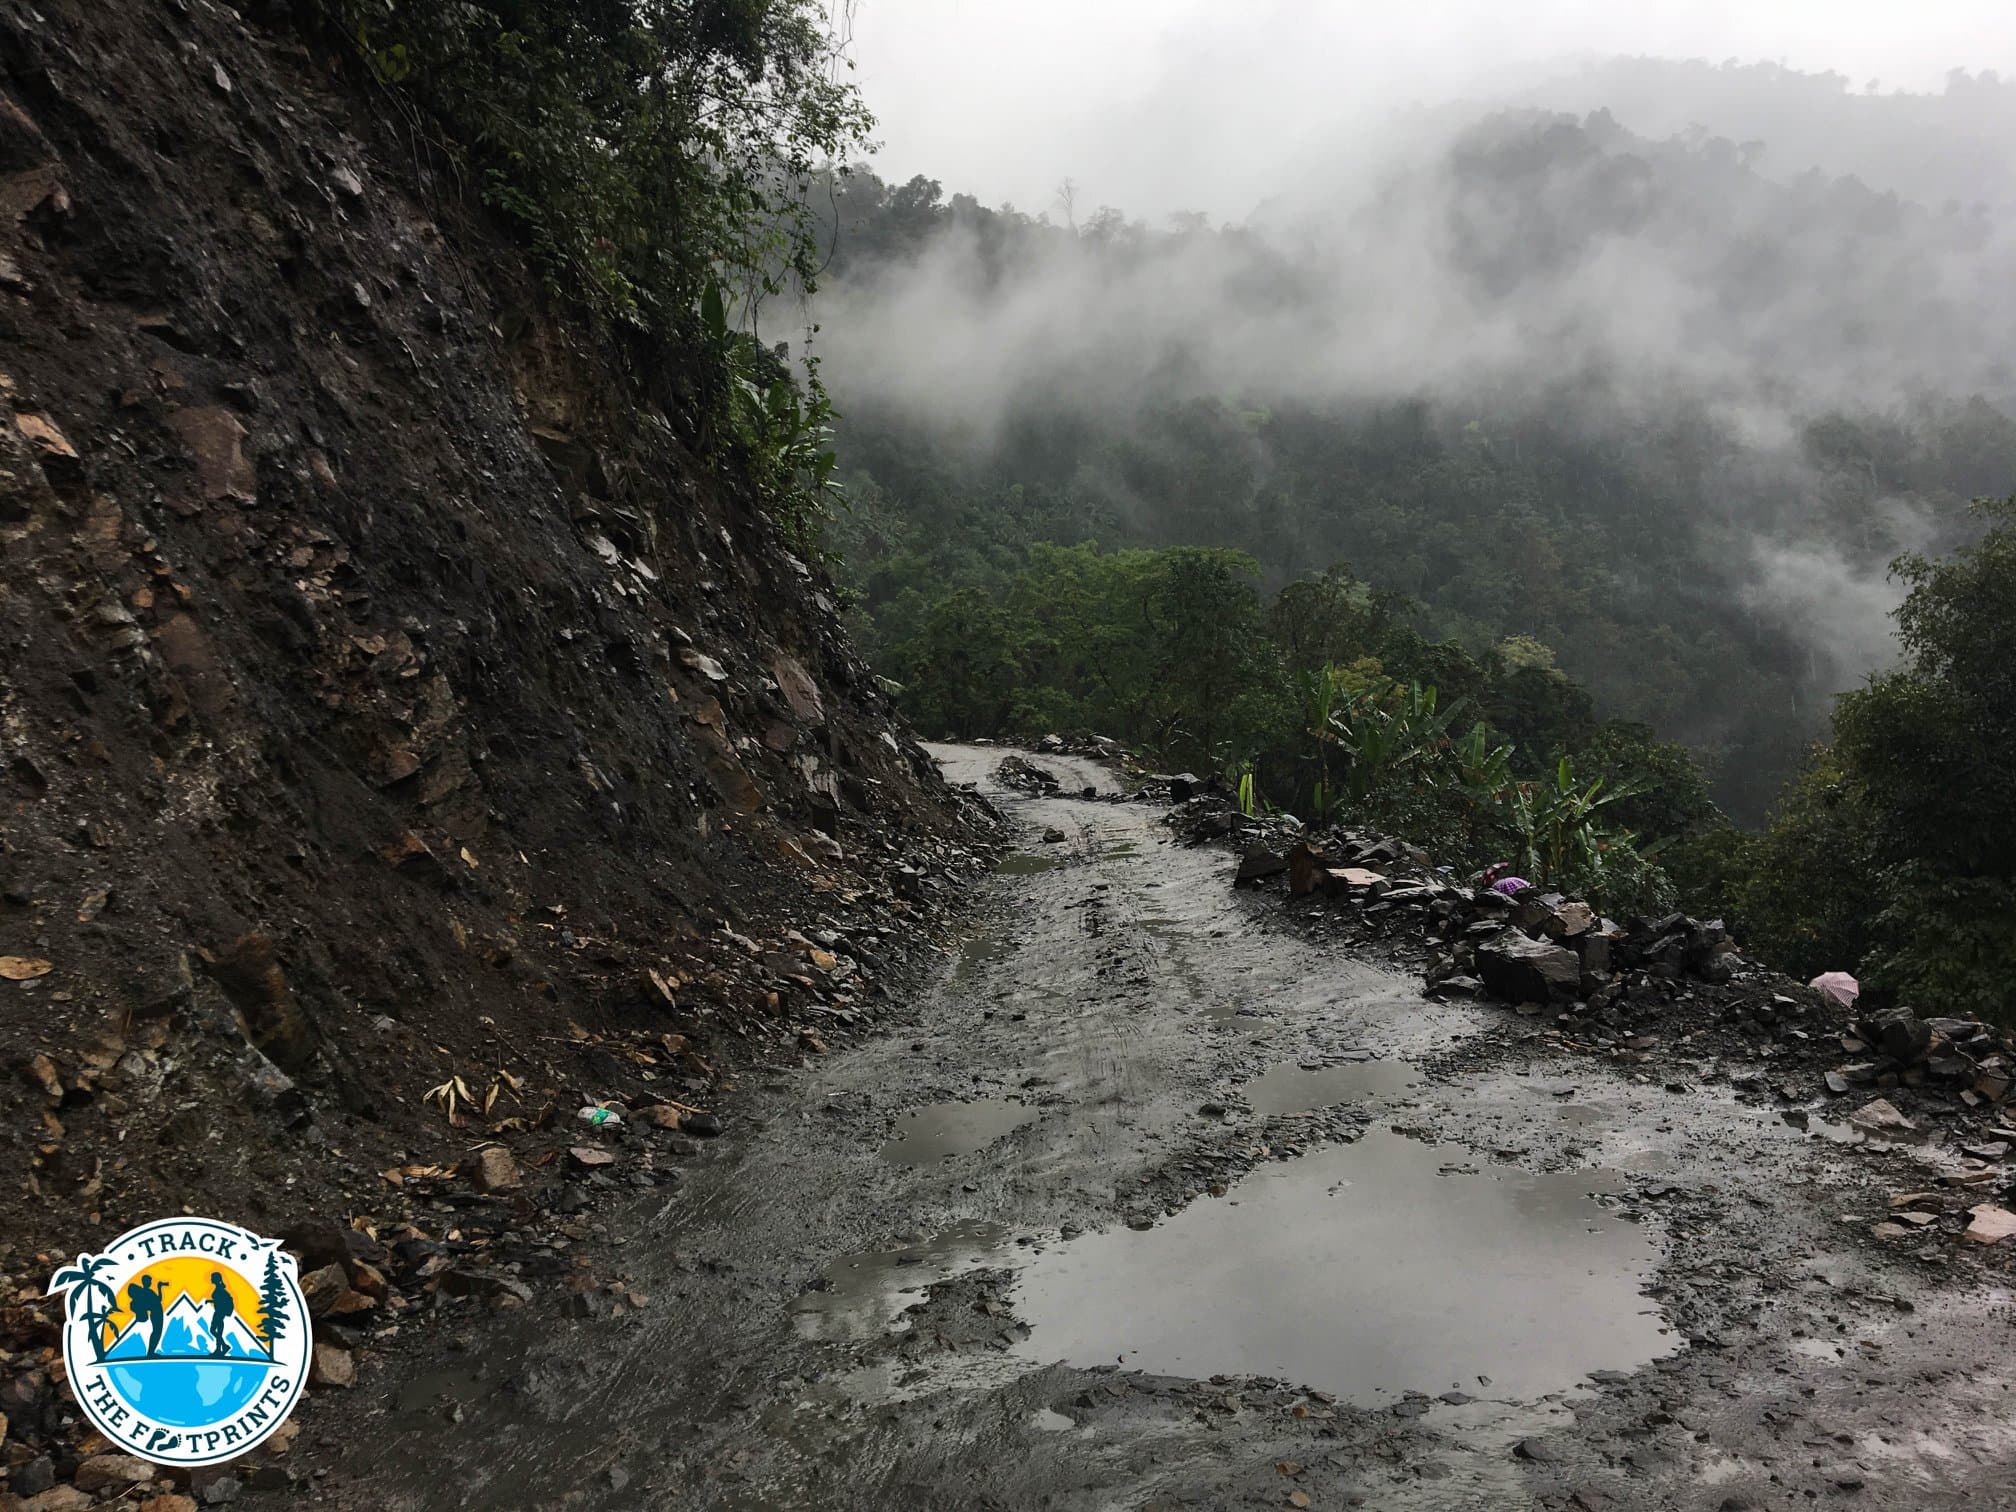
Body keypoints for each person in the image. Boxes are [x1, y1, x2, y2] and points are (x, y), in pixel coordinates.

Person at [127, 1275, 164, 1356]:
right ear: (145, 1282)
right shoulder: (147, 1292)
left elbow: (157, 1300)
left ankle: (150, 1352)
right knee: (156, 1332)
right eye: (149, 1281)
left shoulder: (145, 1292)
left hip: (156, 1312)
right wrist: (159, 1288)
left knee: (156, 1332)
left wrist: (159, 1288)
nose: (150, 1283)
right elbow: (158, 1300)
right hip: (156, 1313)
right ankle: (150, 1353)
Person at [207, 1272, 235, 1356]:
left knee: (213, 1330)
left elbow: (220, 1301)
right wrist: (211, 1301)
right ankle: (221, 1348)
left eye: (212, 1277)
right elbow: (219, 1300)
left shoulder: (219, 1289)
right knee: (217, 1332)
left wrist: (212, 1301)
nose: (211, 1279)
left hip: (219, 1312)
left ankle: (221, 1348)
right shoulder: (219, 1288)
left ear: (216, 1279)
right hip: (219, 1312)